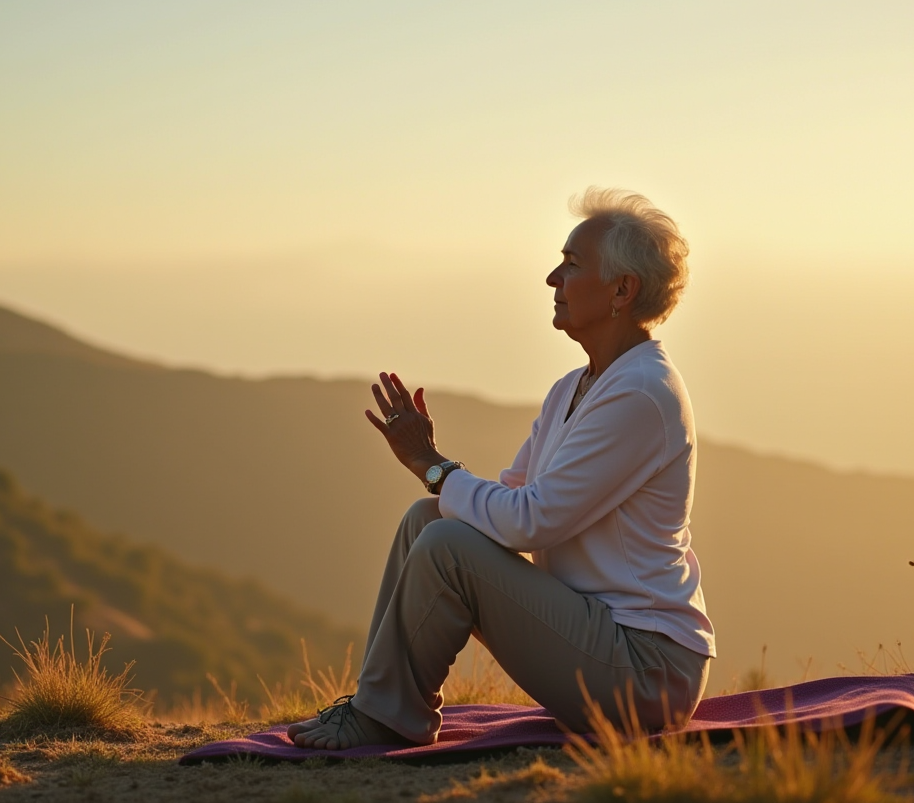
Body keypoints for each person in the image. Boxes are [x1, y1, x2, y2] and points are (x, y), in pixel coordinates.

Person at [288, 188, 714, 750]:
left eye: (572, 264)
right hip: (600, 638)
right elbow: (510, 500)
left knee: (445, 542)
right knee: (429, 520)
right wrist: (437, 478)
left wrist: (431, 464)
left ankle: (383, 716)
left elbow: (527, 523)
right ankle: (382, 701)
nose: (553, 278)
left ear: (622, 290)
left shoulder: (640, 393)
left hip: (646, 668)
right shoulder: (575, 387)